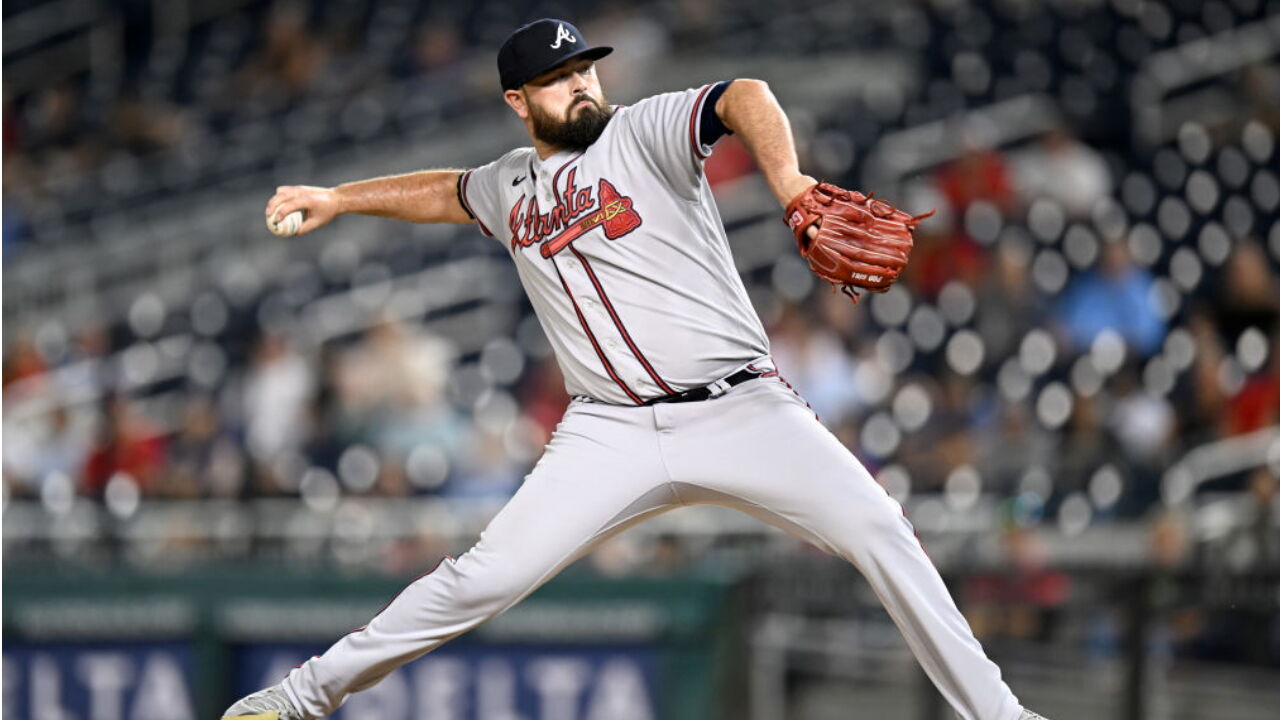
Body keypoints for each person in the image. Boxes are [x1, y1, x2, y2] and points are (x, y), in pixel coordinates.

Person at [224, 19, 1049, 720]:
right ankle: (296, 700)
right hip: (607, 430)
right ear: (518, 103)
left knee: (879, 531)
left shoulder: (645, 129)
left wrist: (789, 179)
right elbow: (446, 190)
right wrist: (339, 197)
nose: (580, 85)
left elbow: (743, 95)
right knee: (482, 578)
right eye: (556, 79)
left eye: (584, 68)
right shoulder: (511, 185)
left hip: (742, 410)